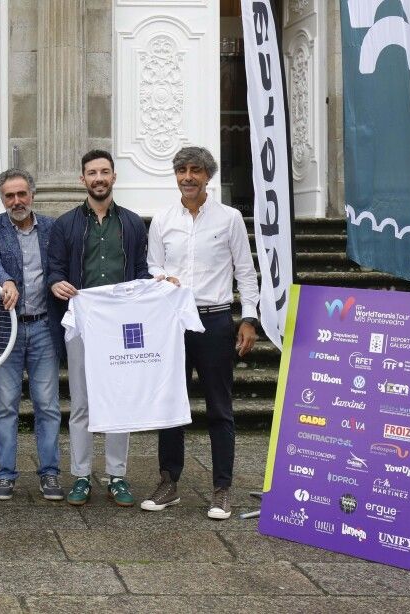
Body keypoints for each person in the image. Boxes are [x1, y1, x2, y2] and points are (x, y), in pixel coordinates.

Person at [144, 146, 260, 520]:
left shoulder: (229, 219)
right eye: (182, 170)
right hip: (174, 321)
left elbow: (245, 271)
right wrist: (163, 278)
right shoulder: (162, 220)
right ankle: (168, 483)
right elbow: (152, 266)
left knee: (220, 408)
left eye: (195, 170)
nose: (188, 176)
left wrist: (249, 319)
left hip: (214, 320)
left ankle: (222, 489)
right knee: (171, 404)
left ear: (208, 175)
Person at [46, 149, 151, 508]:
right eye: (92, 172)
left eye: (104, 171)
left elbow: (141, 271)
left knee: (120, 401)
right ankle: (80, 475)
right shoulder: (66, 224)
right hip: (81, 322)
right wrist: (56, 283)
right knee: (82, 402)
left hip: (121, 326)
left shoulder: (134, 223)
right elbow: (54, 268)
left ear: (114, 177)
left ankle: (117, 476)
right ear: (83, 179)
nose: (99, 178)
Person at [0, 168, 63, 501]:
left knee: (48, 406)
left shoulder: (52, 228)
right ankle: (4, 474)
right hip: (5, 329)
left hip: (43, 327)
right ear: (2, 198)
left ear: (32, 194)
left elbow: (58, 265)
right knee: (5, 407)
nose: (17, 201)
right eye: (10, 196)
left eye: (22, 194)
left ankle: (50, 473)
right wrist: (6, 281)